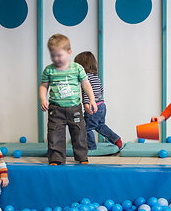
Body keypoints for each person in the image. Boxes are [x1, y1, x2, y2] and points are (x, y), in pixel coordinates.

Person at [39, 34, 98, 165]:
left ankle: (82, 157)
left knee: (79, 133)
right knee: (55, 134)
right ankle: (56, 158)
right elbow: (43, 86)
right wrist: (43, 99)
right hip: (56, 109)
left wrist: (92, 100)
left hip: (74, 108)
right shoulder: (49, 70)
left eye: (59, 55)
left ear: (69, 52)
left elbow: (86, 84)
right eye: (53, 55)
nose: (56, 58)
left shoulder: (77, 68)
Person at [74, 51, 123, 150]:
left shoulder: (86, 78)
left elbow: (89, 91)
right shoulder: (96, 77)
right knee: (100, 125)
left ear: (82, 66)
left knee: (85, 128)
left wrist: (87, 104)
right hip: (102, 105)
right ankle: (116, 139)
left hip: (93, 106)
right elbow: (100, 90)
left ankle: (91, 147)